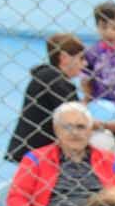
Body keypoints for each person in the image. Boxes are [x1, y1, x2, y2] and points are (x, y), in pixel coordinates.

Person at [8, 33, 85, 163]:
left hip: (34, 149)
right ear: (64, 58)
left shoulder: (48, 77)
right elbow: (76, 118)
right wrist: (110, 125)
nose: (84, 64)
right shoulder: (55, 80)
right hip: (39, 150)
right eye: (81, 58)